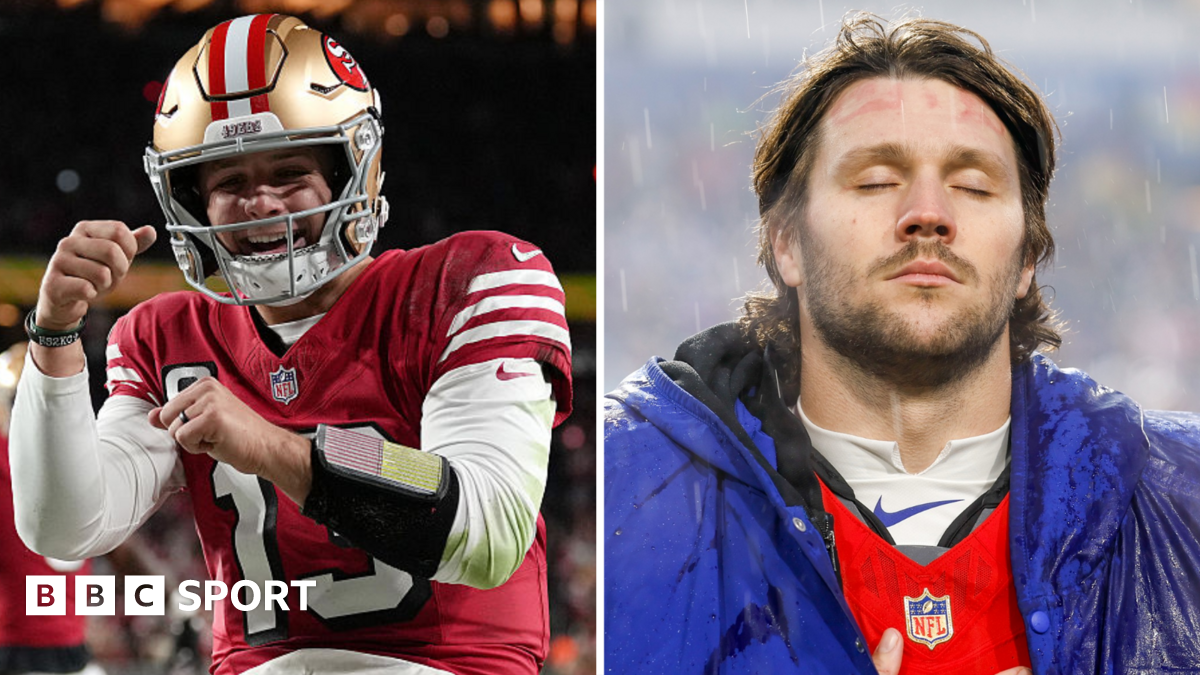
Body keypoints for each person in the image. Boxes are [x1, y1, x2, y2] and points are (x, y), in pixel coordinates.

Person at [604, 13, 1200, 675]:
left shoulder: (1184, 496)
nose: (928, 211)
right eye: (876, 180)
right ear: (787, 243)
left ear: (1029, 256)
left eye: (973, 185)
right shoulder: (627, 493)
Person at [10, 14, 572, 675]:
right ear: (191, 202)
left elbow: (488, 524)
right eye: (229, 183)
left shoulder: (470, 279)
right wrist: (55, 338)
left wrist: (279, 447)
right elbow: (66, 526)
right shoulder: (166, 335)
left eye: (289, 171)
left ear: (347, 171)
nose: (260, 204)